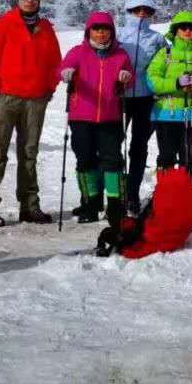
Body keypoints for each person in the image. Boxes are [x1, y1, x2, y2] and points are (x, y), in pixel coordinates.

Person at [0, 0, 62, 227]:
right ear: (16, 0)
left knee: (29, 153)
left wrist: (49, 87)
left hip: (36, 100)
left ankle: (29, 206)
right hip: (7, 98)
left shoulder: (46, 29)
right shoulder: (1, 26)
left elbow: (55, 61)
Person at [59, 12, 134, 226]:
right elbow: (63, 68)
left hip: (110, 116)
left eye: (105, 28)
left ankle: (115, 205)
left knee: (112, 161)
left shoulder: (120, 55)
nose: (101, 33)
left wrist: (127, 78)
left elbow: (129, 76)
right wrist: (66, 73)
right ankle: (90, 203)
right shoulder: (78, 52)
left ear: (111, 31)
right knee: (85, 159)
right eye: (96, 28)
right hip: (82, 116)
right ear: (89, 31)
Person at [145, 11, 192, 178]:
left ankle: (186, 196)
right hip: (166, 114)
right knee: (166, 158)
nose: (187, 31)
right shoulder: (165, 53)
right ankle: (165, 195)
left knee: (189, 158)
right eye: (183, 28)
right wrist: (176, 83)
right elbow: (151, 81)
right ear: (176, 30)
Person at [121, 0, 166, 215]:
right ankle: (115, 194)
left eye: (146, 11)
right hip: (120, 97)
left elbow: (166, 64)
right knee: (113, 147)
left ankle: (132, 195)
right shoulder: (119, 36)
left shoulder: (157, 39)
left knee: (138, 148)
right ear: (128, 11)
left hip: (147, 98)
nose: (142, 14)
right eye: (137, 10)